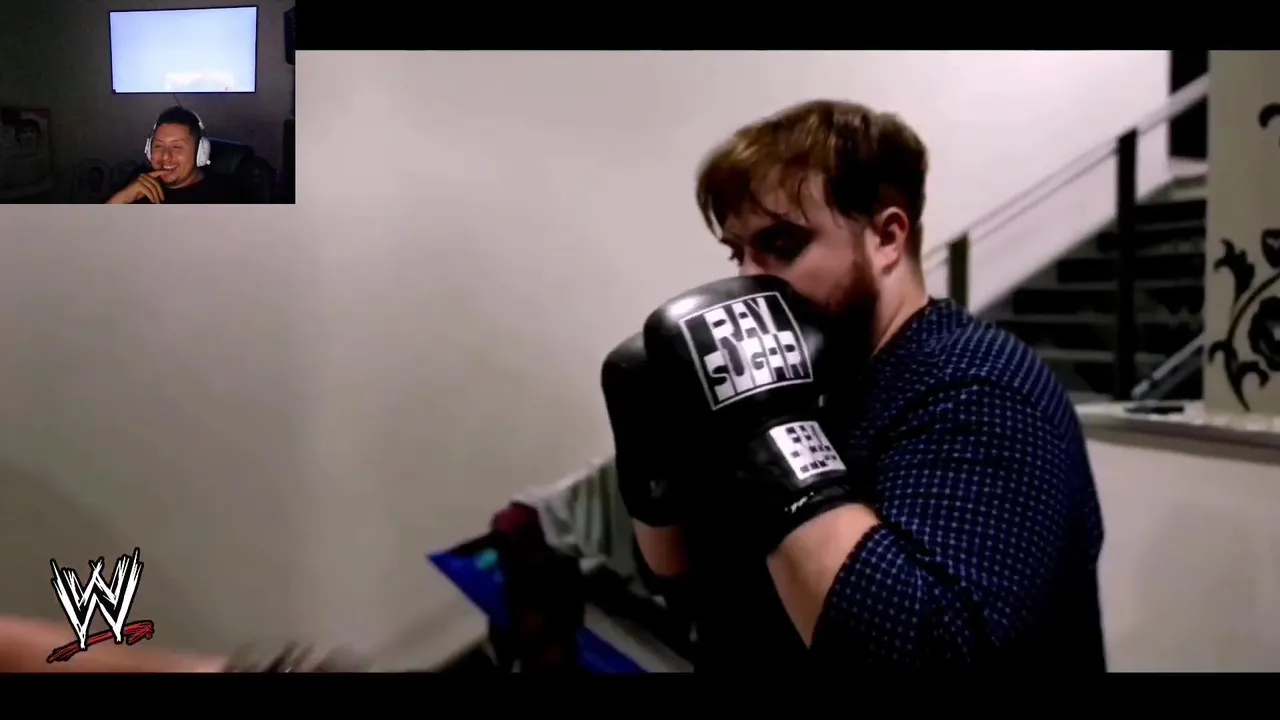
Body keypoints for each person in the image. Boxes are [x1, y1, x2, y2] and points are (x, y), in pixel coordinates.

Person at [602, 99, 1106, 670]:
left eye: (783, 246)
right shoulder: (819, 378)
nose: (749, 280)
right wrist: (650, 451)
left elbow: (925, 653)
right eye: (738, 253)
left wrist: (773, 434)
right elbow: (680, 575)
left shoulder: (981, 386)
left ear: (887, 237)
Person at [107, 106, 242, 204]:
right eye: (158, 146)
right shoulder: (138, 178)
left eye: (177, 147)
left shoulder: (226, 195)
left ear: (200, 153)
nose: (165, 156)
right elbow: (100, 229)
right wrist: (122, 198)